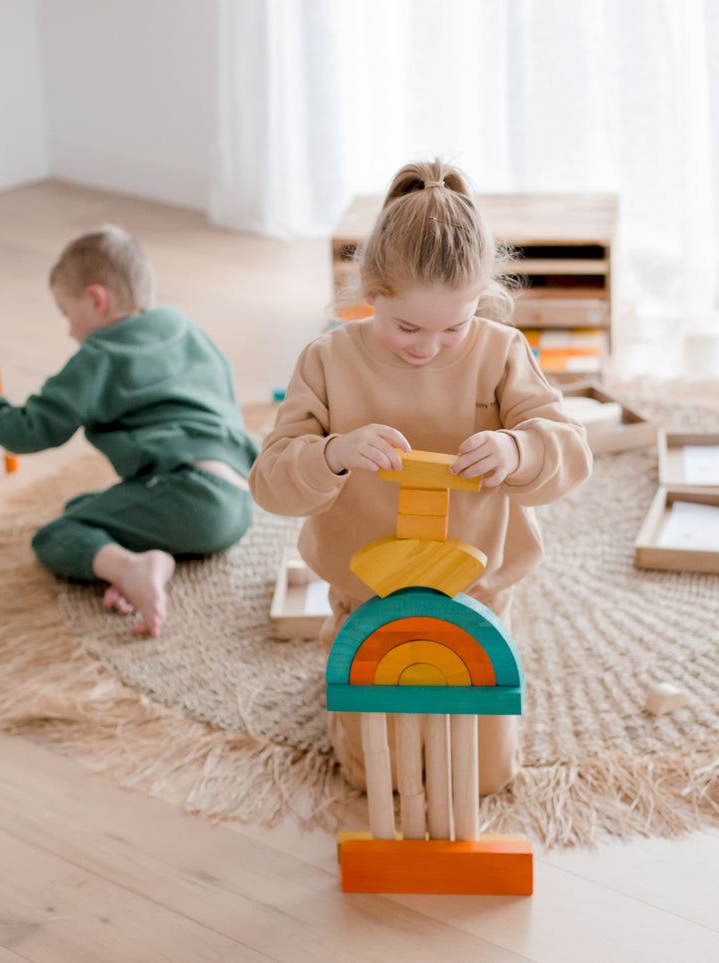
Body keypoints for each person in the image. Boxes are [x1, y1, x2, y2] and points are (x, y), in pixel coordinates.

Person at [250, 159, 592, 794]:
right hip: (366, 597)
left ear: (480, 303)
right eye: (407, 327)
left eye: (453, 328)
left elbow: (570, 449)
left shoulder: (500, 350)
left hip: (477, 595)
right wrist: (332, 453)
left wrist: (518, 450)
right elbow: (270, 480)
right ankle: (338, 672)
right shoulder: (327, 360)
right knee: (375, 778)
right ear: (368, 292)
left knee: (483, 778)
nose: (428, 347)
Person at [0, 225, 258, 637]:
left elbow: (29, 430)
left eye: (65, 313)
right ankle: (144, 561)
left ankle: (131, 567)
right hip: (240, 498)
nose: (69, 330)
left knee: (58, 534)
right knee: (83, 506)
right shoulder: (181, 325)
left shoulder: (99, 356)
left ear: (96, 300)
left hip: (190, 498)